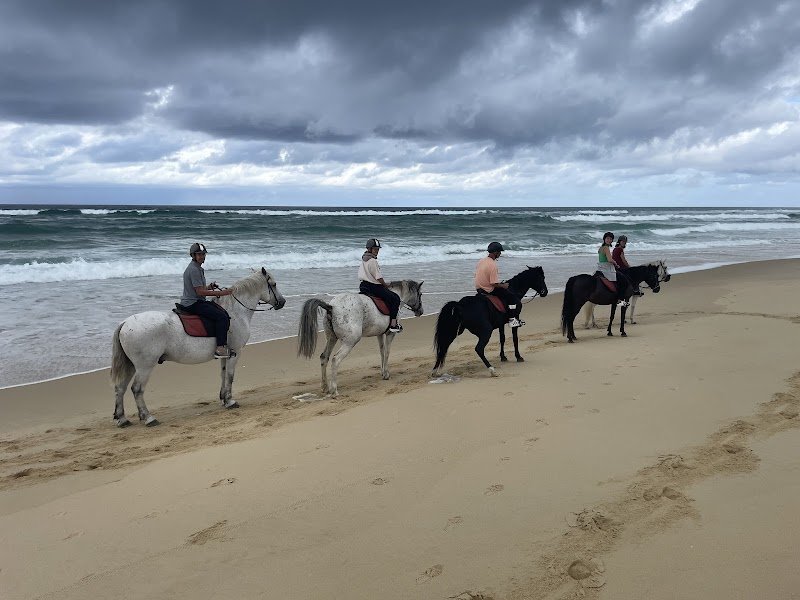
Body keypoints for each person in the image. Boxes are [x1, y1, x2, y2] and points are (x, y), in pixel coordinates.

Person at [180, 242, 234, 358]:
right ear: (193, 256)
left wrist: (209, 287)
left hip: (195, 300)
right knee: (222, 317)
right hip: (193, 303)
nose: (202, 257)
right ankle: (220, 348)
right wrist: (222, 293)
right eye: (199, 254)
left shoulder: (198, 268)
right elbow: (199, 292)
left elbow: (199, 288)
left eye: (203, 254)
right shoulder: (194, 270)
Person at [358, 238, 403, 333]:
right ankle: (393, 325)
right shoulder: (373, 261)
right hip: (373, 287)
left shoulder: (364, 259)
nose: (377, 251)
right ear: (369, 249)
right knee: (395, 298)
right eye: (375, 249)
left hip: (363, 286)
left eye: (378, 249)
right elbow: (378, 277)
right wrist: (384, 285)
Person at [475, 242, 523, 328]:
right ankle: (512, 320)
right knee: (512, 297)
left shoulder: (481, 261)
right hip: (488, 290)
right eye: (500, 252)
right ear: (495, 252)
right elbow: (493, 283)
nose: (500, 254)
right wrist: (503, 285)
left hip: (479, 288)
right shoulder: (493, 265)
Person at [597, 232, 627, 306]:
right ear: (604, 239)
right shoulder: (606, 248)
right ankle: (619, 300)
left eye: (611, 239)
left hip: (600, 267)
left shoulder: (600, 248)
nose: (609, 240)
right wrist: (616, 264)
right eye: (607, 238)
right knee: (621, 280)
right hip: (607, 268)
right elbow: (610, 260)